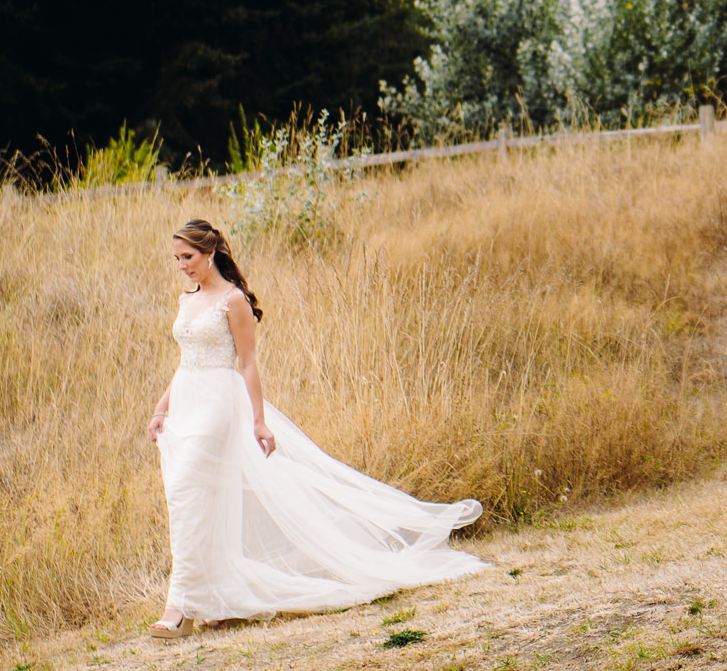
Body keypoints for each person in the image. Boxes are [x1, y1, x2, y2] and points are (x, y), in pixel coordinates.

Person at [146, 219, 486, 638]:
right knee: (196, 502)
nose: (182, 266)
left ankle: (176, 608)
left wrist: (258, 420)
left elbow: (248, 363)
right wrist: (162, 408)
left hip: (217, 405)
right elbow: (185, 362)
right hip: (186, 403)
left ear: (210, 253)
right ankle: (217, 601)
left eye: (188, 257)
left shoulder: (232, 301)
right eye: (177, 258)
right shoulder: (186, 301)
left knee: (188, 501)